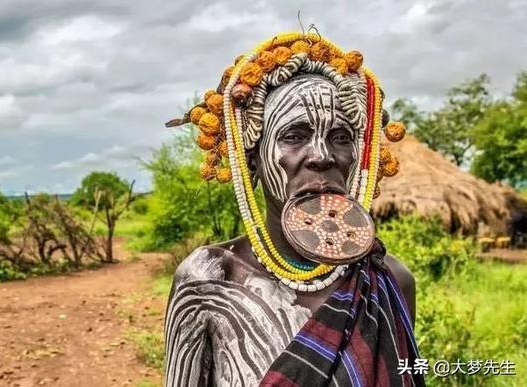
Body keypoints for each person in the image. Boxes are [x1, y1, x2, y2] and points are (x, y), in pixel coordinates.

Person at [164, 31, 424, 387]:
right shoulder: (208, 280)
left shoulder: (391, 282)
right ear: (251, 158)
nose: (322, 155)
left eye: (341, 137)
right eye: (294, 136)